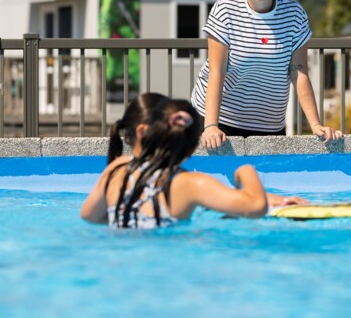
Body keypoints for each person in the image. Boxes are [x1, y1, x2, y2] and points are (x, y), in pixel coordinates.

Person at [191, 0, 343, 150]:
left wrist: (315, 125)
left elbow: (298, 72)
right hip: (221, 117)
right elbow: (216, 71)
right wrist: (210, 126)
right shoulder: (226, 9)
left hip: (269, 124)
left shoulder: (294, 14)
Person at [80, 93, 304, 229]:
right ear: (192, 149)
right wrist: (246, 170)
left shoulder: (115, 170)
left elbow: (89, 215)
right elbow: (255, 207)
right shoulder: (192, 184)